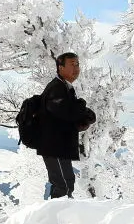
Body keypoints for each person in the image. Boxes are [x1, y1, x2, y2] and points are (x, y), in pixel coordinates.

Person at [37, 52, 96, 199]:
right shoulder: (56, 88)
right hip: (53, 144)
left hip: (59, 144)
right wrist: (82, 106)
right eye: (72, 64)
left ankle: (61, 218)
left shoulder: (65, 87)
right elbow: (67, 113)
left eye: (77, 64)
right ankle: (55, 220)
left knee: (67, 182)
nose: (76, 68)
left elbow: (67, 116)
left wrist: (83, 118)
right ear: (60, 67)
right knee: (62, 184)